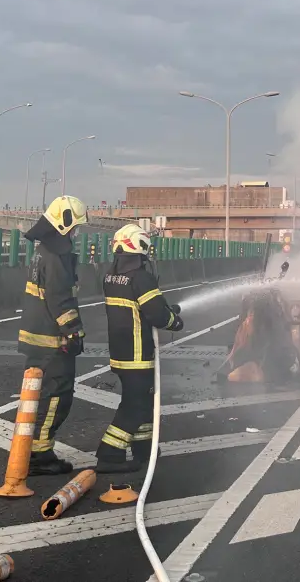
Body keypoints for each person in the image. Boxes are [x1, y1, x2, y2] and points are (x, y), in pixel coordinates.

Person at [95, 223, 183, 473]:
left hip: (121, 352)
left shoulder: (111, 276)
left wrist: (164, 308)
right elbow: (156, 314)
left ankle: (145, 450)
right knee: (136, 405)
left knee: (141, 401)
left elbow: (141, 307)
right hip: (137, 354)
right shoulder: (141, 277)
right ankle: (109, 453)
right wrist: (174, 320)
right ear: (141, 246)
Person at [17, 194, 88, 475]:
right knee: (57, 397)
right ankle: (40, 455)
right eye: (75, 228)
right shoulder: (57, 257)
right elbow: (60, 299)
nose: (76, 233)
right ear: (64, 224)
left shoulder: (41, 251)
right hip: (52, 342)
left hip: (35, 339)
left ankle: (28, 448)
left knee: (37, 397)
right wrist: (73, 333)